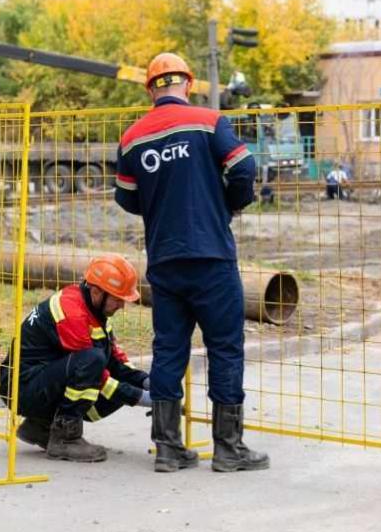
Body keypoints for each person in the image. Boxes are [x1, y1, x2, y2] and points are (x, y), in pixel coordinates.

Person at [114, 52, 269, 473]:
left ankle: (167, 449)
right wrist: (228, 205)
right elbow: (243, 167)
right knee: (224, 349)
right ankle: (228, 449)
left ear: (150, 89)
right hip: (212, 257)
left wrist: (160, 206)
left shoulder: (132, 137)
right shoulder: (208, 120)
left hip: (164, 260)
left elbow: (126, 197)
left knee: (168, 350)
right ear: (187, 83)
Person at [0, 254, 151, 463]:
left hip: (37, 381)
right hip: (20, 388)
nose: (121, 306)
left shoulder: (93, 309)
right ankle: (65, 439)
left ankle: (40, 426)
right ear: (97, 292)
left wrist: (146, 381)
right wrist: (143, 399)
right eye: (117, 299)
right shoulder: (72, 312)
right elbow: (96, 375)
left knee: (99, 362)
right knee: (93, 363)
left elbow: (114, 359)